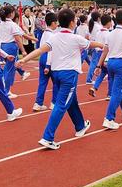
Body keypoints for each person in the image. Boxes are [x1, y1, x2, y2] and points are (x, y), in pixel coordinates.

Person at [17, 8, 103, 150]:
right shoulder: (75, 38)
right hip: (68, 75)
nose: (75, 22)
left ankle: (80, 126)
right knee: (61, 105)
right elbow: (91, 44)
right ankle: (47, 137)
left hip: (57, 74)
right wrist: (103, 45)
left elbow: (40, 50)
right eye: (74, 20)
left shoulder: (54, 37)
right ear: (71, 23)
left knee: (71, 101)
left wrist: (24, 60)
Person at [34, 12, 59, 111]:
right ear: (53, 23)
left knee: (42, 82)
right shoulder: (52, 35)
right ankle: (54, 102)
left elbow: (41, 47)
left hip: (42, 57)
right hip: (49, 59)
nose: (57, 25)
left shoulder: (45, 33)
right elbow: (51, 51)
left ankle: (38, 103)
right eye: (56, 22)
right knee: (56, 82)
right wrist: (48, 65)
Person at [88, 14, 113, 98]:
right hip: (105, 55)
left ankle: (94, 87)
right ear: (109, 23)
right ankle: (110, 94)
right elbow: (107, 47)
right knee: (110, 75)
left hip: (98, 53)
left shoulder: (98, 32)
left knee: (103, 72)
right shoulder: (108, 34)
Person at [86, 11, 102, 83]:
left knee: (96, 61)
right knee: (94, 62)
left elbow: (87, 36)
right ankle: (89, 79)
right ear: (98, 18)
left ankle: (101, 75)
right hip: (96, 45)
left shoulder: (90, 25)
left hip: (92, 44)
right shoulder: (98, 26)